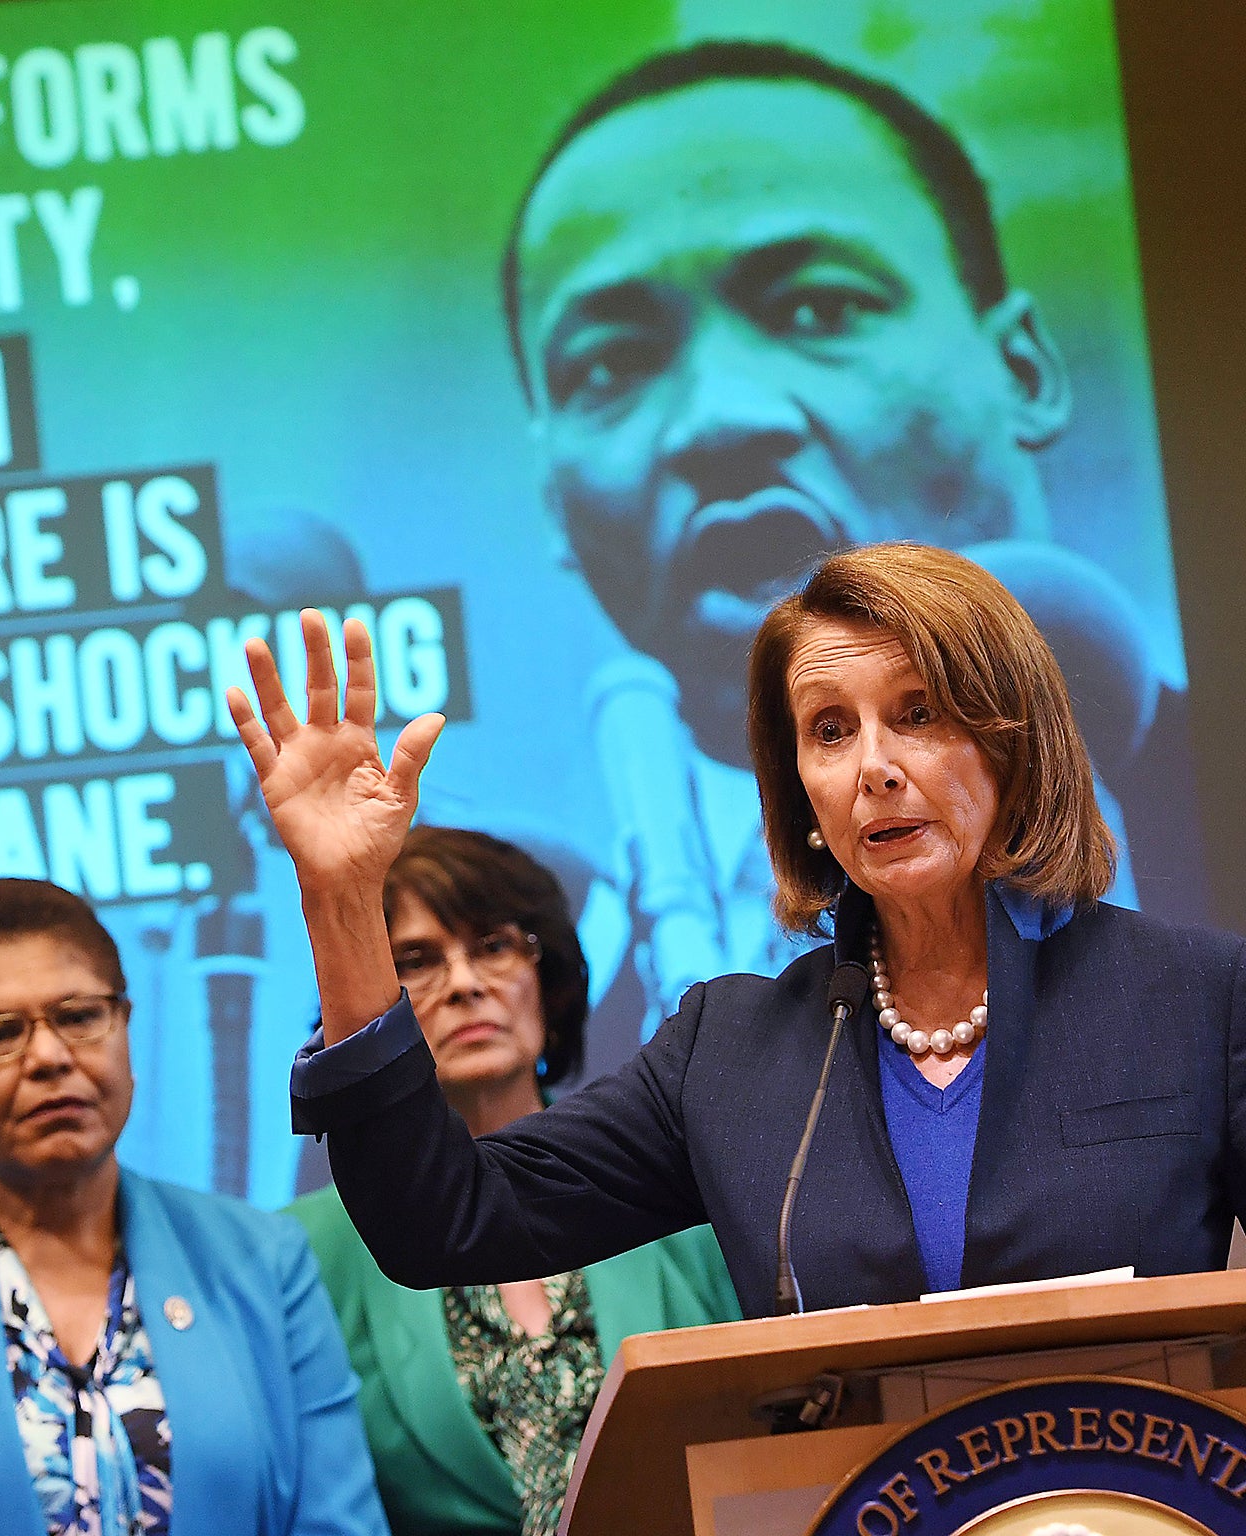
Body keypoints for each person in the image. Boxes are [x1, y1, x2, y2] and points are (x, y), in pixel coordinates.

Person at [230, 544, 1245, 1319]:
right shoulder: (731, 1054)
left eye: (918, 712)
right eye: (829, 730)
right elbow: (443, 1220)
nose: (872, 768)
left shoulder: (1194, 998)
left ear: (1011, 739)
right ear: (799, 790)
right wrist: (339, 896)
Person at [497, 39, 1185, 1039]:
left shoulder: (1206, 806)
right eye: (609, 366)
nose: (716, 419)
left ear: (1024, 372)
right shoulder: (533, 1042)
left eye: (819, 308)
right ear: (553, 502)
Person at [0, 877, 389, 1536]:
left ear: (123, 1025)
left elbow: (337, 1520)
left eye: (78, 1016)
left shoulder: (263, 1261)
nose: (49, 1056)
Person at [286, 826, 738, 1536]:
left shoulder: (689, 1195)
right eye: (416, 960)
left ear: (547, 980)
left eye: (493, 947)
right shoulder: (303, 1252)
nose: (465, 984)